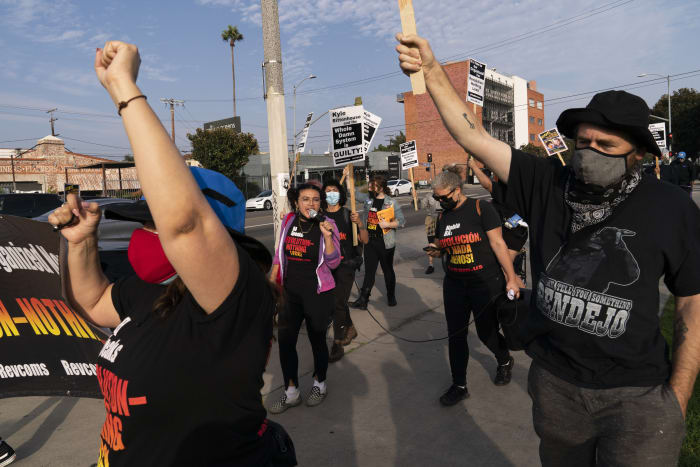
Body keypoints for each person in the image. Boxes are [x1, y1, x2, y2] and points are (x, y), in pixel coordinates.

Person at [397, 34, 700, 466]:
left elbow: (691, 301)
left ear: (636, 154)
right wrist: (431, 72)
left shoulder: (669, 206)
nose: (590, 153)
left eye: (607, 146)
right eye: (584, 142)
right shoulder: (546, 182)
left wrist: (678, 396)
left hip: (637, 395)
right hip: (556, 386)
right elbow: (473, 135)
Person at [48, 41, 295, 466]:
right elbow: (92, 300)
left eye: (153, 224)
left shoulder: (232, 298)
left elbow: (185, 224)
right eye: (143, 222)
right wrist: (81, 243)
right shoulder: (148, 292)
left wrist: (124, 90)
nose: (144, 234)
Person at [428, 165, 520, 406]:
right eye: (436, 197)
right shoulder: (443, 216)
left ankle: (504, 360)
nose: (440, 201)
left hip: (485, 282)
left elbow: (499, 244)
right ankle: (459, 385)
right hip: (455, 284)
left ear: (457, 190)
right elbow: (443, 244)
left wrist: (511, 277)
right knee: (456, 335)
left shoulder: (482, 209)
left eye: (443, 196)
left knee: (486, 332)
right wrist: (437, 251)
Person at [268, 183, 341, 413]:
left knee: (317, 340)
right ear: (297, 202)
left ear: (321, 203)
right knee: (286, 341)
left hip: (317, 293)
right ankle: (292, 392)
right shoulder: (289, 221)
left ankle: (320, 384)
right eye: (305, 199)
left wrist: (328, 237)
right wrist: (272, 283)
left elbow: (334, 262)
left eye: (316, 199)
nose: (311, 203)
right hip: (290, 293)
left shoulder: (328, 225)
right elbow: (280, 254)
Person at [322, 179, 368, 363]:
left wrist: (360, 224)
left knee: (338, 302)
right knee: (334, 302)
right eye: (327, 190)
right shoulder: (321, 215)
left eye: (334, 190)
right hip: (326, 266)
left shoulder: (348, 215)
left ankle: (338, 341)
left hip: (345, 265)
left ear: (340, 194)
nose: (331, 193)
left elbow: (364, 240)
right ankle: (350, 327)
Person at [468, 157, 528, 286]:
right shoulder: (519, 183)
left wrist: (474, 167)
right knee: (505, 268)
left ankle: (523, 298)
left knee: (505, 268)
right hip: (511, 230)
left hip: (514, 232)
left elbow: (487, 184)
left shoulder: (511, 187)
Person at [349, 175, 406, 309]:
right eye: (369, 185)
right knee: (369, 271)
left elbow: (402, 221)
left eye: (372, 186)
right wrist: (348, 179)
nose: (369, 188)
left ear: (380, 187)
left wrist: (388, 224)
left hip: (385, 242)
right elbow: (354, 194)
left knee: (387, 270)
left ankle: (391, 296)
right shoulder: (368, 199)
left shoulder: (391, 202)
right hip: (370, 241)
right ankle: (363, 300)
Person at [421, 191, 441, 274]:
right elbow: (422, 206)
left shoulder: (445, 193)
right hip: (431, 219)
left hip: (442, 217)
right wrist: (418, 200)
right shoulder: (429, 195)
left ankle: (449, 262)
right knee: (431, 242)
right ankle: (431, 265)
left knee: (446, 240)